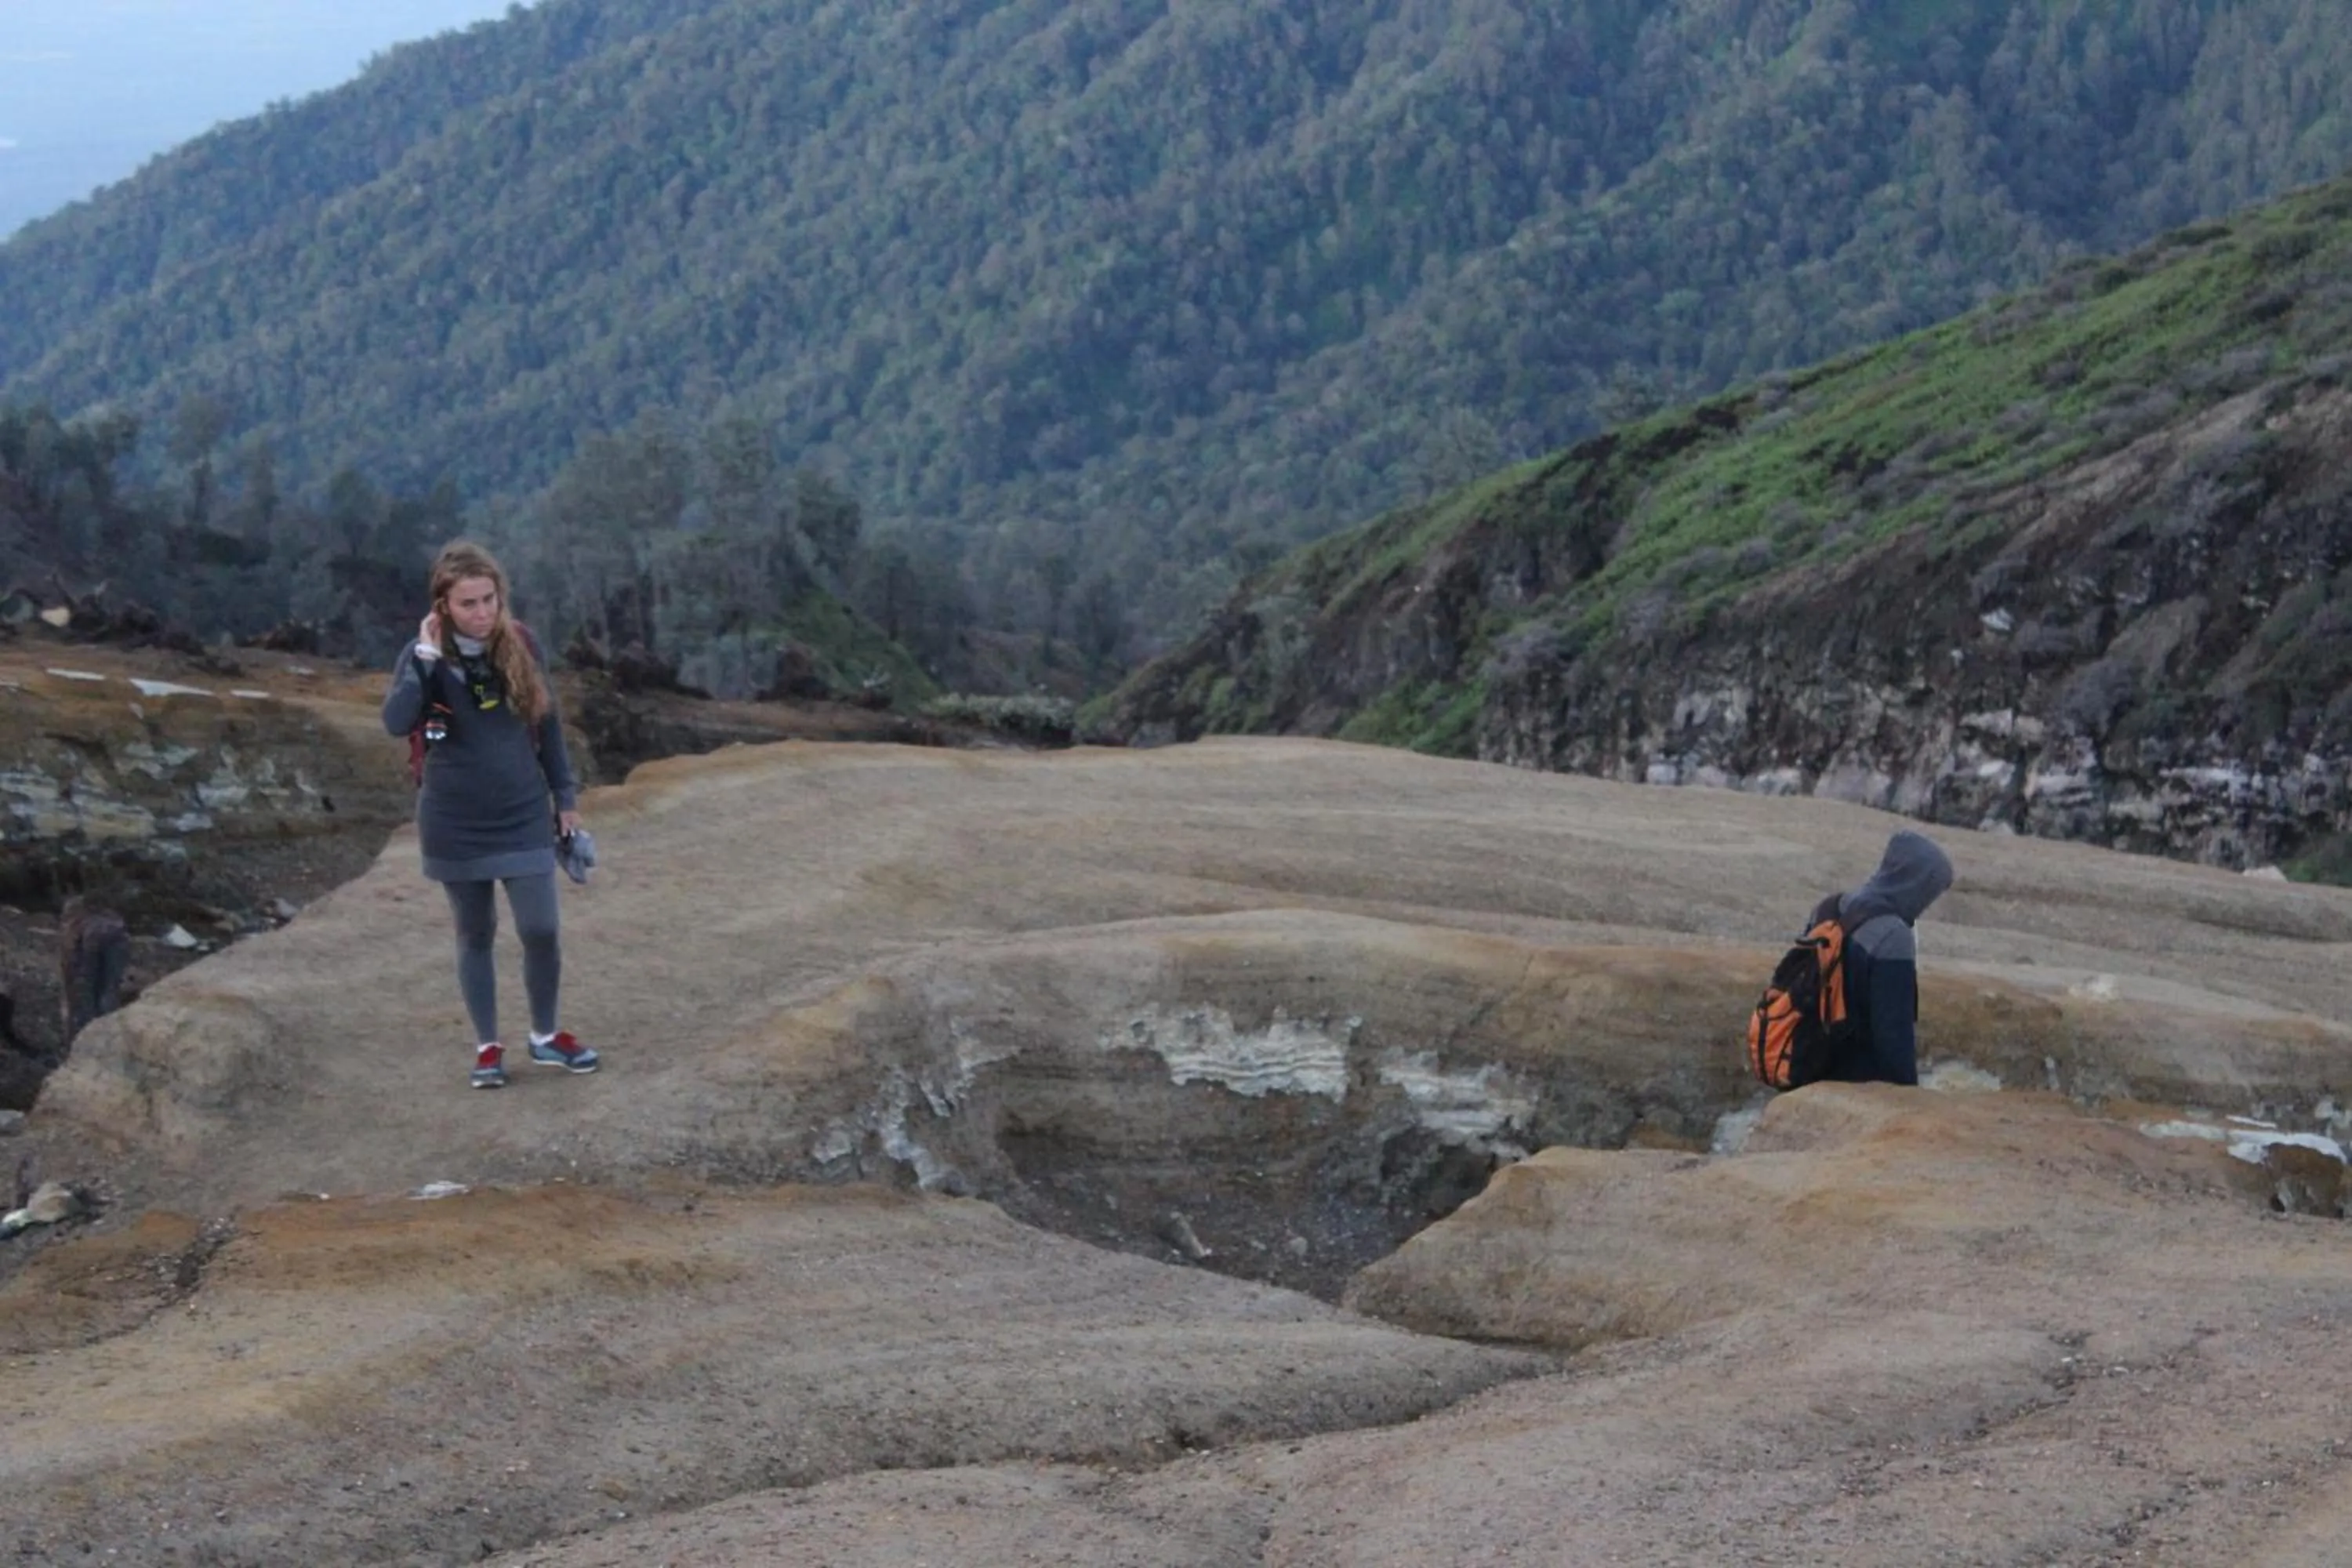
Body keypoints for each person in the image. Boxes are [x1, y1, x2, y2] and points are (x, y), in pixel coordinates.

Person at [382, 540, 599, 1089]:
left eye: (490, 600)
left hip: (522, 811)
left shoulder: (521, 644)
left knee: (541, 929)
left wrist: (565, 799)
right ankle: (487, 1047)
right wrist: (428, 662)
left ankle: (546, 1037)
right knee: (474, 934)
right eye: (469, 604)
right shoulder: (422, 658)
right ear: (443, 607)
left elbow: (546, 726)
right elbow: (396, 721)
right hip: (454, 820)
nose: (482, 614)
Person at [1812, 829, 1955, 1086]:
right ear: (1915, 882)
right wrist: (1907, 1094)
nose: (1926, 902)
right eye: (1929, 891)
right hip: (1858, 1078)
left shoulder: (1830, 906)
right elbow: (1893, 1030)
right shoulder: (1893, 935)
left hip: (1811, 1058)